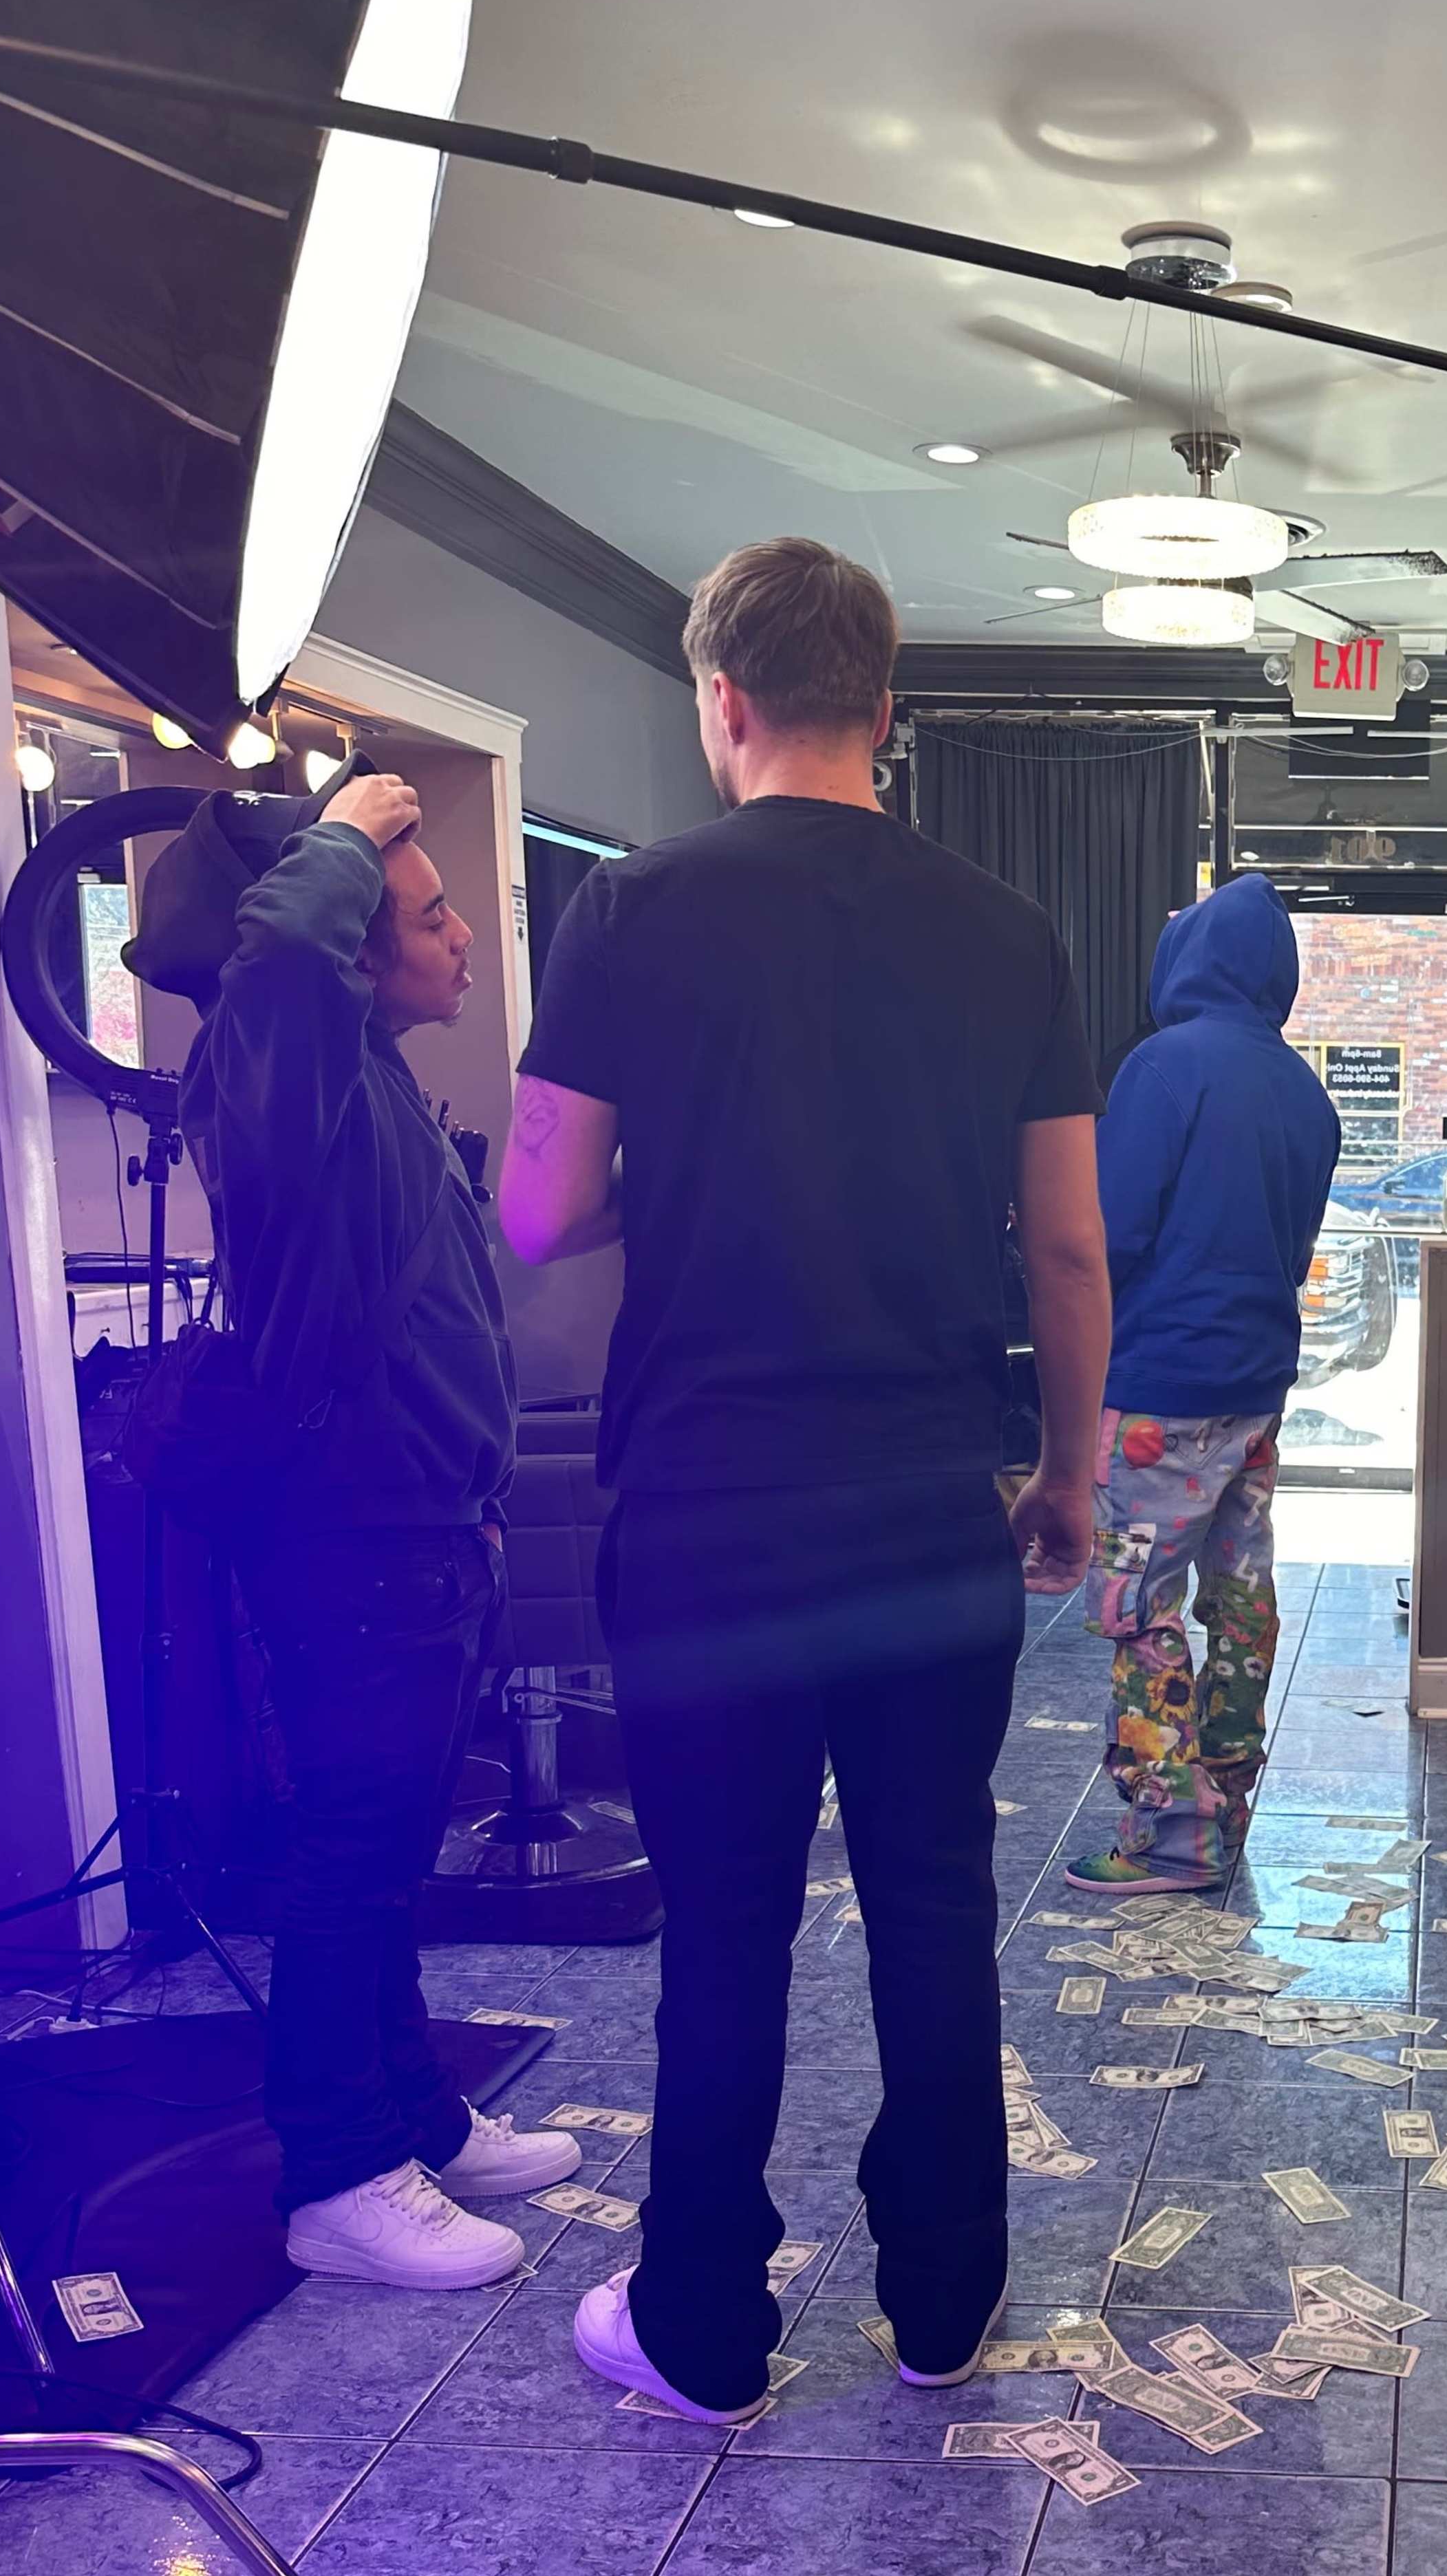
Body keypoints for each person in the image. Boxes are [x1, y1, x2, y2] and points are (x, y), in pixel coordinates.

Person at [501, 535, 1110, 2420]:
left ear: (723, 703)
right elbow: (1069, 1250)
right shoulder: (1007, 931)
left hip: (708, 1513)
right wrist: (1067, 1474)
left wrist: (666, 1187)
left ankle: (701, 2330)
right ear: (891, 711)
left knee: (729, 1922)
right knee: (936, 1901)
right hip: (927, 1498)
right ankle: (942, 2312)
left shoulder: (632, 913)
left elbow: (536, 1211)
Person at [136, 768, 581, 2285]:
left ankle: (416, 2120)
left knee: (388, 1851)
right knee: (349, 1854)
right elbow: (272, 979)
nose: (463, 933)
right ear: (347, 948)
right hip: (352, 1539)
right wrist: (339, 836)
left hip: (426, 1531)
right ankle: (338, 2172)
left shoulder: (374, 1081)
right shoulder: (279, 1084)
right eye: (429, 910)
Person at [1067, 874, 1340, 1892]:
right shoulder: (1304, 1091)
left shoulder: (1163, 1066)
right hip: (1257, 1382)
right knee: (1239, 1594)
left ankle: (1169, 1839)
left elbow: (1108, 1231)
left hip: (1156, 1389)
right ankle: (1226, 1810)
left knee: (1140, 1608)